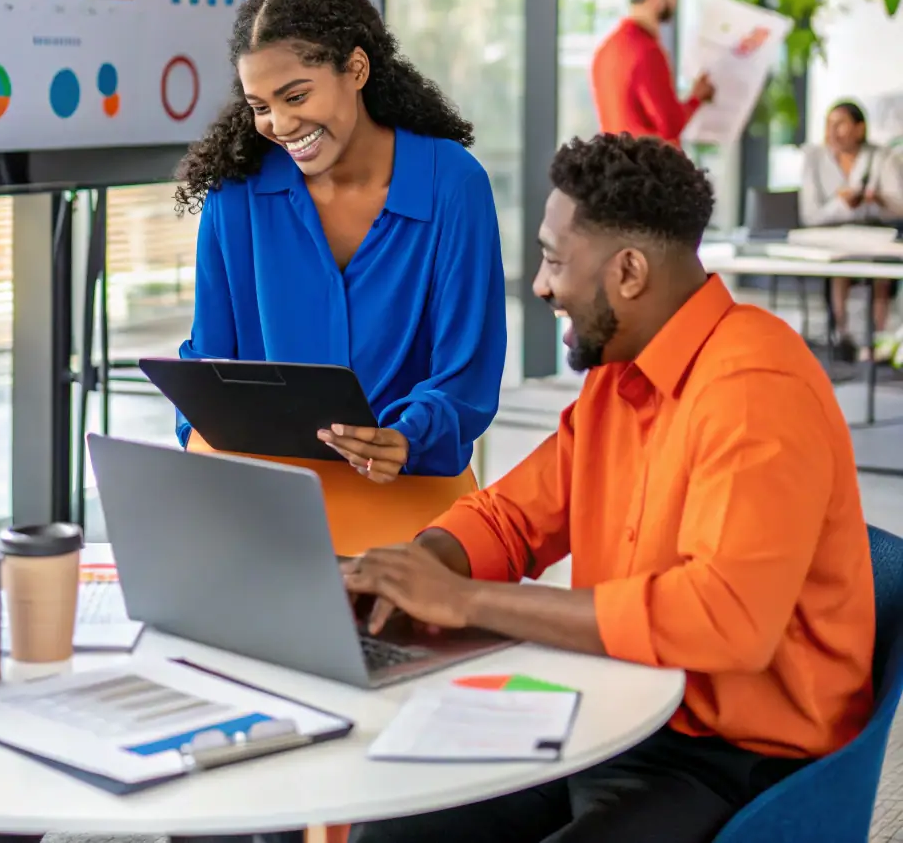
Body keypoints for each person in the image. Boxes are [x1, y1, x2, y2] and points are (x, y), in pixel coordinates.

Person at [344, 133, 874, 843]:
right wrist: (419, 566)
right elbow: (511, 517)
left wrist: (468, 601)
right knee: (396, 829)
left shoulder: (755, 389)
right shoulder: (616, 379)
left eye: (555, 260)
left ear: (627, 271)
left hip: (734, 754)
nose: (539, 284)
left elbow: (727, 620)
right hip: (615, 706)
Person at [174, 0, 507, 553]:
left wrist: (407, 436)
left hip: (411, 496)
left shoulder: (453, 185)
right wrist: (203, 433)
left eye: (296, 95)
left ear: (355, 69)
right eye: (261, 105)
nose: (279, 126)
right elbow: (210, 359)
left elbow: (466, 373)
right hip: (268, 502)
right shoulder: (235, 196)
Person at [801, 99, 903, 358]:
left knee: (881, 269)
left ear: (859, 128)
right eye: (829, 124)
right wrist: (841, 205)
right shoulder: (814, 158)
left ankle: (877, 340)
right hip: (832, 238)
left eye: (841, 124)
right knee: (840, 267)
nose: (833, 132)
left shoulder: (882, 157)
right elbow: (810, 215)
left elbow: (900, 206)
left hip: (878, 235)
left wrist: (876, 200)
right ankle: (842, 337)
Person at [591, 0, 714, 145]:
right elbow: (670, 125)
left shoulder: (606, 49)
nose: (676, 1)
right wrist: (697, 97)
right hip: (649, 169)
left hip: (616, 167)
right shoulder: (647, 51)